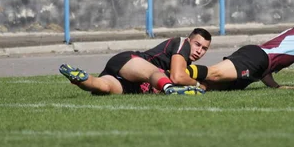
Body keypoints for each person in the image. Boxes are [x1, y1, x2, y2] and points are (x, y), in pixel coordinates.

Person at [59, 28, 212, 95]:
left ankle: (81, 78)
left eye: (204, 48)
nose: (199, 51)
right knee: (154, 72)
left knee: (103, 86)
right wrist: (198, 85)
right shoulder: (181, 43)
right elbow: (177, 77)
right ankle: (169, 89)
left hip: (131, 83)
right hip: (130, 62)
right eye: (197, 45)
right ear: (189, 40)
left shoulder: (186, 60)